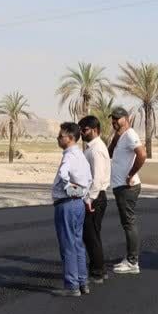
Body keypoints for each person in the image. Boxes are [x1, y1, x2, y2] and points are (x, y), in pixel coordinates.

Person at [51, 122, 92, 297]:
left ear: (70, 138)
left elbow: (63, 174)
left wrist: (69, 188)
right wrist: (82, 194)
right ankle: (83, 282)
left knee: (68, 244)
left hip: (66, 203)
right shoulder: (81, 156)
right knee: (77, 243)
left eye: (61, 136)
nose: (58, 138)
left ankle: (72, 286)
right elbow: (89, 179)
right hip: (79, 204)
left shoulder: (69, 156)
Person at [108, 107, 147, 275]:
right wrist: (115, 138)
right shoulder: (121, 136)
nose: (114, 121)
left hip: (127, 187)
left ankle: (132, 262)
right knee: (127, 223)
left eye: (117, 118)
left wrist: (131, 173)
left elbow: (142, 155)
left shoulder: (130, 135)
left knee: (129, 223)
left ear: (126, 118)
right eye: (113, 119)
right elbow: (109, 153)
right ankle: (131, 259)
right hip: (120, 187)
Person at [79, 115, 111, 285]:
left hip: (96, 197)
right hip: (95, 196)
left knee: (91, 235)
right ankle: (99, 268)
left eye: (84, 130)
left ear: (95, 130)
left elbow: (97, 179)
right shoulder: (91, 148)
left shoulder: (96, 149)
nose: (82, 133)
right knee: (92, 235)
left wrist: (89, 199)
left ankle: (97, 272)